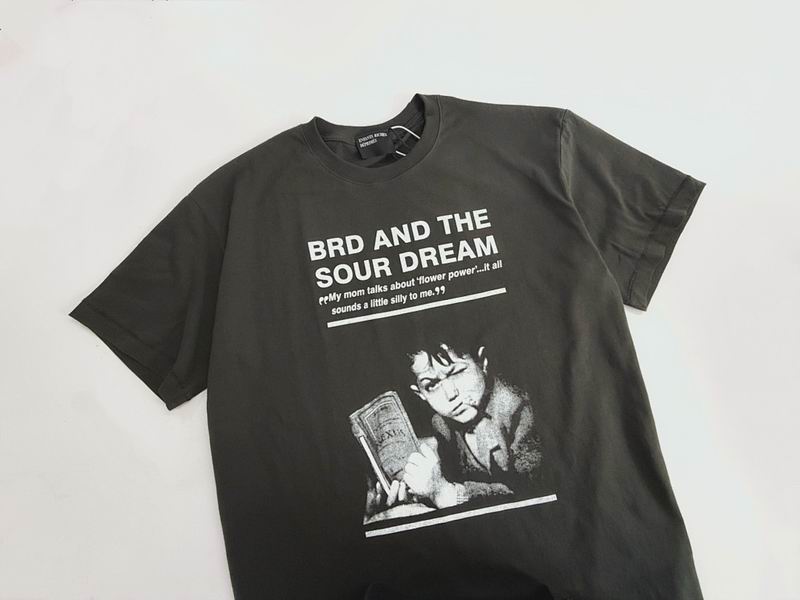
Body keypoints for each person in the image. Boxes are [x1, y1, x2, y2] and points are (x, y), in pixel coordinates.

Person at [365, 331, 544, 518]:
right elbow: (455, 479)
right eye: (432, 385)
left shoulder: (519, 410)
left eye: (457, 372)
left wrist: (442, 491)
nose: (451, 394)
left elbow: (530, 497)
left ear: (482, 362)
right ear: (420, 394)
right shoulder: (442, 424)